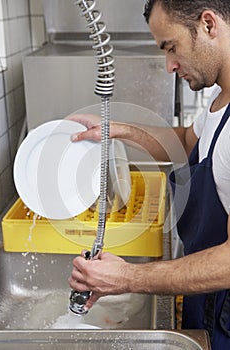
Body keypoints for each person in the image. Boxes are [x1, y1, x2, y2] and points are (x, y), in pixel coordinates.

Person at [68, 1, 230, 348]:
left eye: (171, 47)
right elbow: (187, 142)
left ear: (208, 25)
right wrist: (118, 129)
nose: (170, 65)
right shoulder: (221, 97)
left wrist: (127, 276)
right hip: (208, 295)